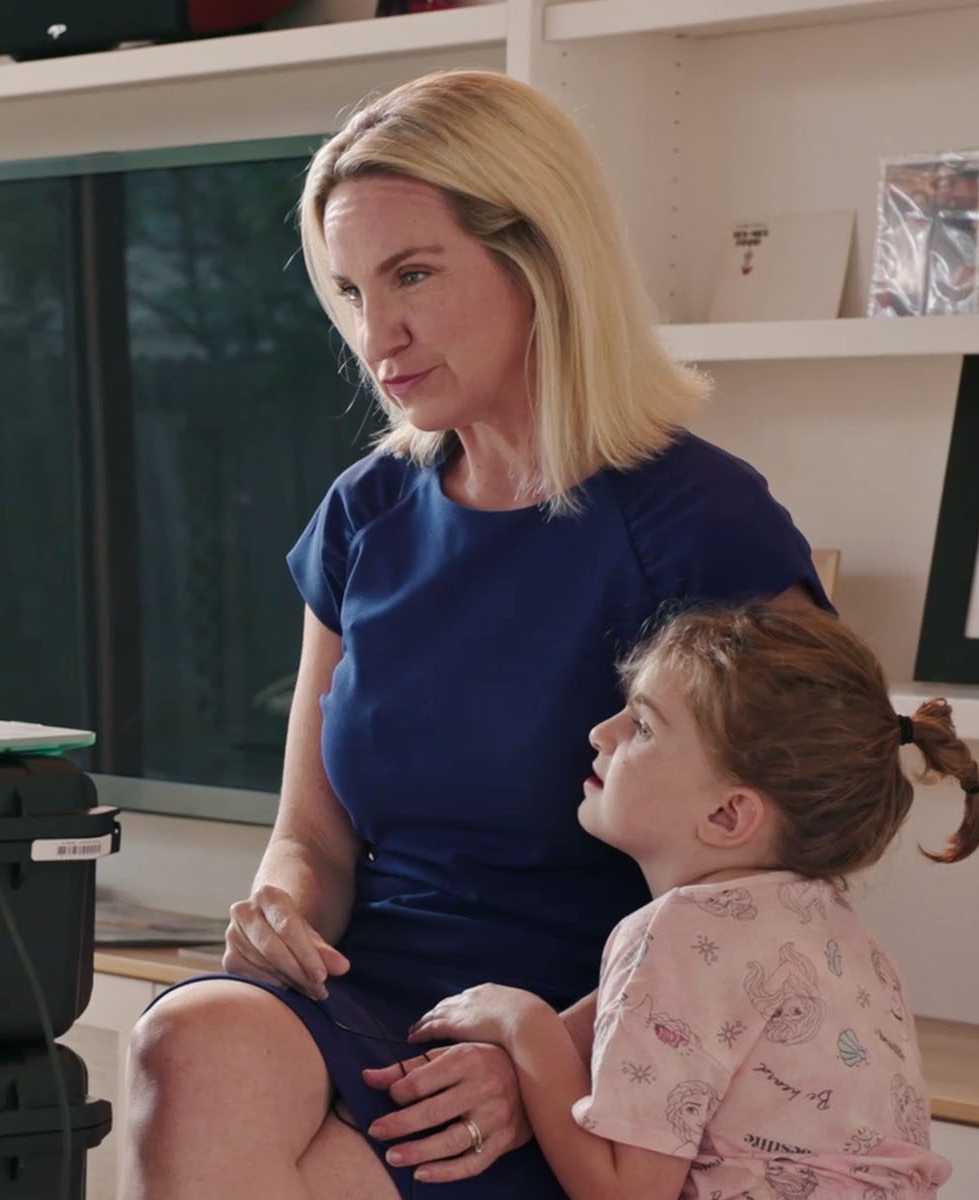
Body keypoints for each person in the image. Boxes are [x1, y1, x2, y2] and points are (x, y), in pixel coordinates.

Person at [123, 68, 831, 1200]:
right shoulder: (366, 513)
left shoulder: (702, 524)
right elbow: (313, 833)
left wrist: (552, 1059)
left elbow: (785, 888)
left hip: (609, 1038)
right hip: (373, 992)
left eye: (414, 275)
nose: (376, 333)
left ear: (539, 258)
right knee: (188, 1041)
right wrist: (281, 918)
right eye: (351, 292)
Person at [409, 605, 978, 1199]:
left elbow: (627, 1195)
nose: (602, 732)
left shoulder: (680, 931)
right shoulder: (844, 932)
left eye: (644, 727)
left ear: (727, 814)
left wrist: (523, 1023)